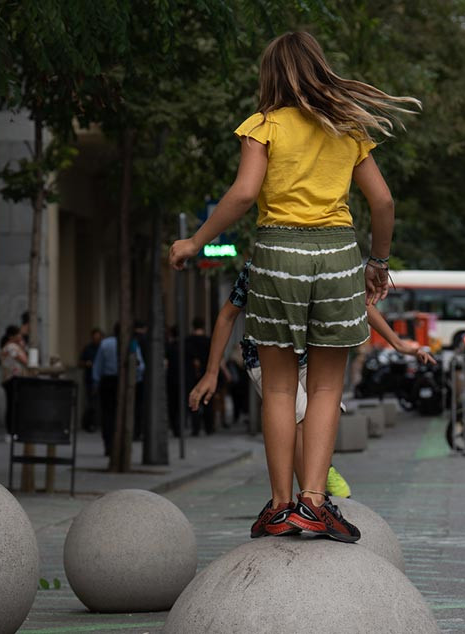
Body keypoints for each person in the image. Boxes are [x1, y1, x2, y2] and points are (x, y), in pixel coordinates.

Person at [170, 31, 418, 543]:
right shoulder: (346, 127)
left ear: (271, 75)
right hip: (337, 256)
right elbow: (384, 203)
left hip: (279, 255)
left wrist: (194, 242)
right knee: (327, 388)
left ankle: (280, 506)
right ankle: (315, 503)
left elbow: (243, 195)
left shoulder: (263, 126)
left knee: (280, 388)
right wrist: (377, 262)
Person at [190, 261, 436, 498]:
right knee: (299, 418)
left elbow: (359, 303)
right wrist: (211, 372)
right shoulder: (259, 264)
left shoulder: (324, 259)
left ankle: (315, 485)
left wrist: (398, 344)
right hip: (266, 355)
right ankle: (311, 494)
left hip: (309, 355)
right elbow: (226, 316)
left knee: (324, 411)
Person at [92, 322, 145, 456]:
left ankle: (109, 445)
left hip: (108, 381)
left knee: (108, 415)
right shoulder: (131, 344)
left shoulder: (105, 344)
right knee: (124, 414)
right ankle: (123, 445)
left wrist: (96, 382)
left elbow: (98, 365)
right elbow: (140, 365)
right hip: (124, 381)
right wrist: (137, 378)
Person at [183, 318, 214, 436]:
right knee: (207, 401)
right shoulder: (208, 341)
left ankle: (195, 428)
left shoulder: (188, 341)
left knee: (194, 400)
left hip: (191, 375)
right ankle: (208, 427)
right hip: (206, 374)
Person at [0, 324, 29, 433]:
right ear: (11, 336)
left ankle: (14, 429)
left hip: (12, 378)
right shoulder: (11, 347)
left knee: (14, 405)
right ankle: (12, 430)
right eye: (18, 334)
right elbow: (23, 360)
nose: (20, 336)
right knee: (13, 405)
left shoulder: (12, 346)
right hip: (12, 378)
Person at [79, 328, 103, 433]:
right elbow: (80, 362)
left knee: (100, 402)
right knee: (91, 402)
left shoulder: (103, 348)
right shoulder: (88, 348)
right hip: (90, 378)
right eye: (95, 337)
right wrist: (86, 363)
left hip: (102, 378)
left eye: (98, 337)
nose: (96, 339)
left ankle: (98, 422)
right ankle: (90, 423)